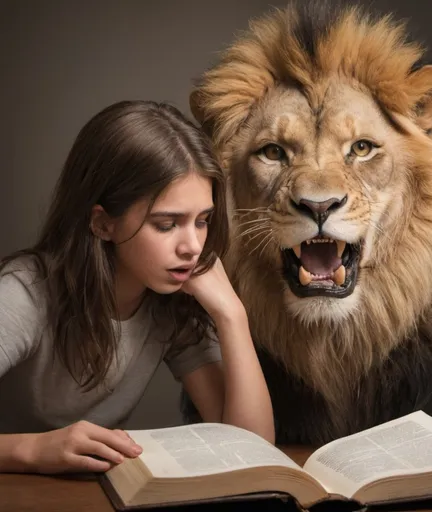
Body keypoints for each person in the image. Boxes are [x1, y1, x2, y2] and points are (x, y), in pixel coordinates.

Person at [0, 100, 274, 475]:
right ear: (102, 224)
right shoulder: (24, 294)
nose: (192, 246)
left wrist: (232, 315)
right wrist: (31, 450)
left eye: (203, 220)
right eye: (166, 224)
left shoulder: (169, 301)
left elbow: (251, 452)